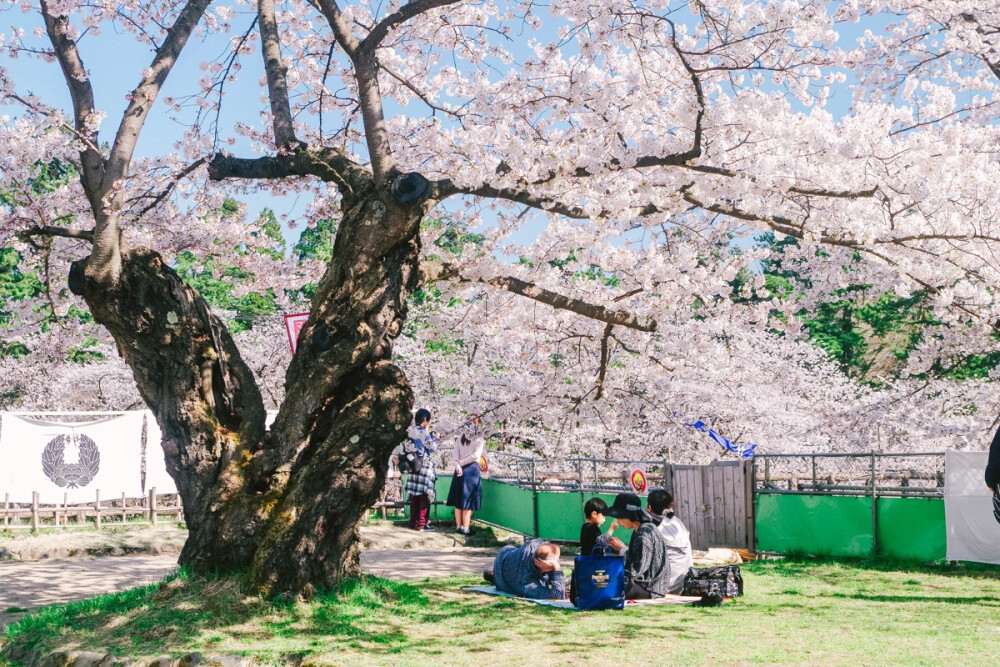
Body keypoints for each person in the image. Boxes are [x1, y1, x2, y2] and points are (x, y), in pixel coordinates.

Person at [603, 493, 670, 599]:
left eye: (619, 517)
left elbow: (637, 569)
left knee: (603, 586)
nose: (618, 521)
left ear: (628, 515)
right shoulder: (641, 529)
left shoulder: (644, 532)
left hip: (650, 588)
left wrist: (613, 575)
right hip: (647, 585)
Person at [484, 538, 566, 600]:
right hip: (502, 574)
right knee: (489, 574)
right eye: (552, 564)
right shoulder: (525, 582)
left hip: (508, 553)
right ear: (542, 565)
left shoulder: (536, 544)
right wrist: (556, 568)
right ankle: (491, 574)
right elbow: (557, 596)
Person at [647, 488, 693, 594]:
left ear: (649, 507)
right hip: (686, 582)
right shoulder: (678, 522)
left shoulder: (652, 527)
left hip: (664, 587)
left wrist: (622, 549)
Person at [446, 414, 485, 535]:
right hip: (471, 470)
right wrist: (462, 463)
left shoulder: (460, 437)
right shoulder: (480, 438)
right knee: (468, 501)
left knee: (459, 500)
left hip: (459, 471)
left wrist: (458, 465)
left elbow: (455, 454)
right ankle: (466, 528)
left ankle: (458, 526)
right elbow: (476, 456)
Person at [404, 408, 439, 531]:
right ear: (425, 419)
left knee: (414, 495)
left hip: (413, 466)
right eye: (428, 421)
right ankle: (422, 524)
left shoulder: (411, 430)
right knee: (425, 496)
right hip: (423, 467)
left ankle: (413, 523)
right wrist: (435, 438)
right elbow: (432, 447)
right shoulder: (424, 432)